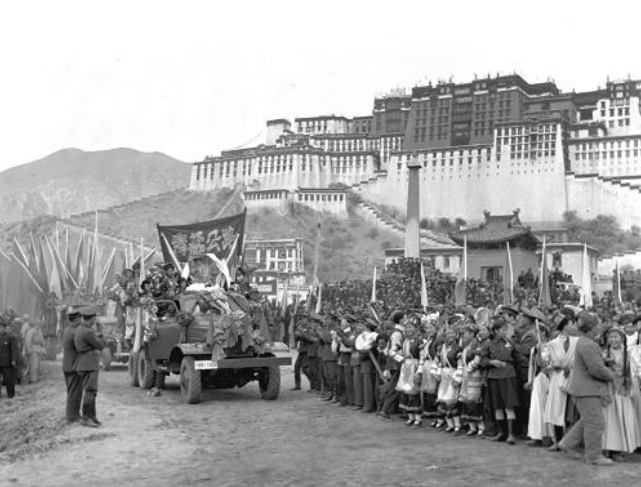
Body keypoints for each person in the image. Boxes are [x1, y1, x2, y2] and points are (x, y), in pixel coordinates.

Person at [559, 311, 616, 466]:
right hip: (588, 390)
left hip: (583, 389)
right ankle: (593, 456)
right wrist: (612, 375)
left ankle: (567, 443)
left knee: (588, 420)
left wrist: (603, 360)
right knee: (595, 423)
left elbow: (592, 363)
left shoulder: (584, 342)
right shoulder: (589, 344)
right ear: (592, 327)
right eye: (597, 324)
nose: (599, 327)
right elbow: (596, 369)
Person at [74, 306, 105, 428]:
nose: (95, 319)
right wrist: (102, 334)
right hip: (89, 363)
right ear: (91, 318)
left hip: (84, 362)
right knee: (90, 391)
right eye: (94, 317)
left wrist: (97, 335)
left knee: (91, 391)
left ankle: (92, 416)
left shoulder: (80, 329)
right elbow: (100, 345)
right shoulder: (88, 331)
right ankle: (87, 417)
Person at [61, 307, 83, 424]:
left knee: (72, 391)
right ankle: (72, 416)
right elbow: (80, 347)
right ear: (76, 319)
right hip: (74, 365)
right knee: (75, 392)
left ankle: (73, 415)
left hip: (67, 364)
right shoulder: (75, 332)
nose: (81, 320)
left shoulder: (67, 330)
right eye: (80, 318)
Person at [0, 319, 19, 399]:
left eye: (2, 327)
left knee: (8, 379)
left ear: (5, 328)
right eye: (0, 327)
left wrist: (13, 360)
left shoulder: (11, 337)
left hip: (7, 362)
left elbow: (14, 350)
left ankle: (11, 395)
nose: (1, 329)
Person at [24, 319, 45, 383]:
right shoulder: (31, 331)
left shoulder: (40, 331)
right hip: (33, 350)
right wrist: (29, 351)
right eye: (38, 324)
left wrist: (43, 348)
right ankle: (32, 380)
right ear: (35, 324)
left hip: (39, 350)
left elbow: (42, 341)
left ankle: (36, 379)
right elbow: (28, 341)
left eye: (40, 324)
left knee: (38, 366)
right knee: (33, 366)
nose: (39, 326)